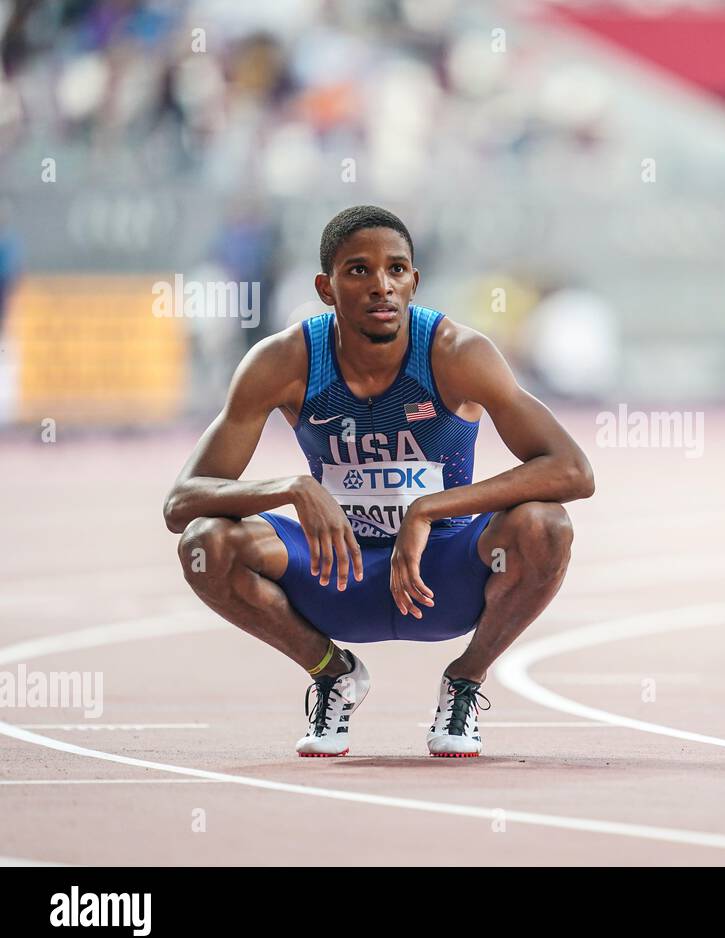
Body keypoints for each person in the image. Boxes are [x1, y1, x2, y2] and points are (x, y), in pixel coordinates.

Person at [164, 205, 595, 758]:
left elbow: (572, 470)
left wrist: (429, 510)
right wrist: (294, 487)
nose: (381, 287)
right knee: (206, 543)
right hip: (334, 571)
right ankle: (333, 672)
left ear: (415, 280)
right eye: (359, 271)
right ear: (326, 287)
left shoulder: (456, 355)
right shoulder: (284, 361)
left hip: (441, 574)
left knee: (547, 527)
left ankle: (465, 681)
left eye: (396, 270)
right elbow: (182, 502)